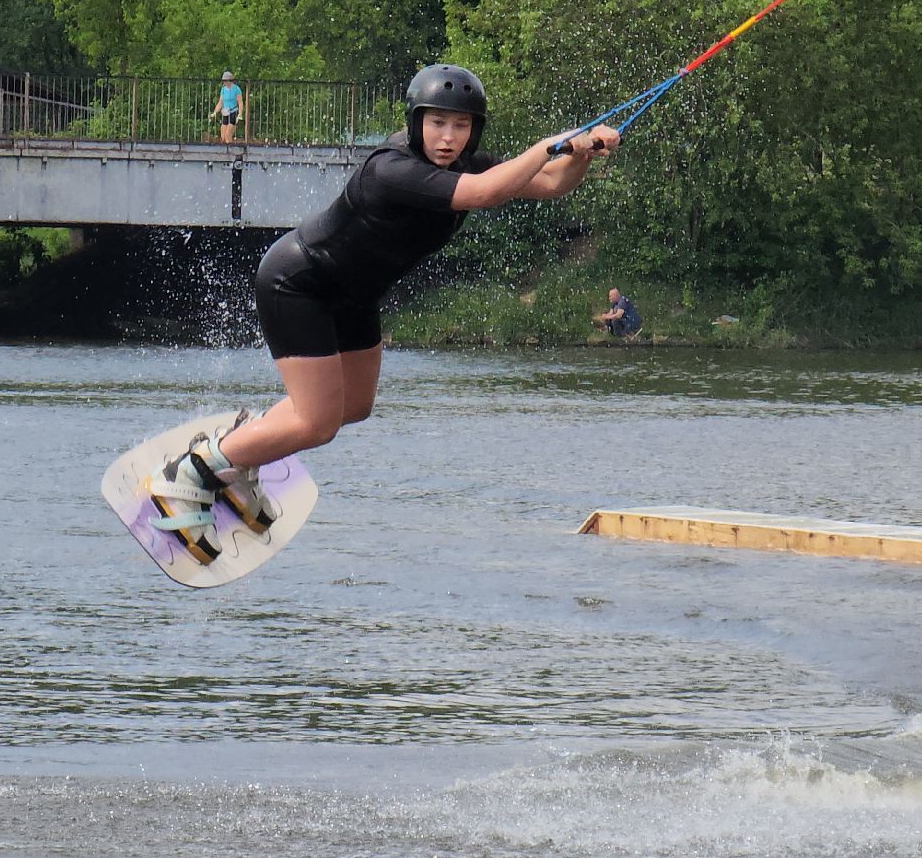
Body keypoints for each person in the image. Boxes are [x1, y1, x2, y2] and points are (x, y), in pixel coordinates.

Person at [147, 63, 621, 561]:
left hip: (355, 295)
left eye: (460, 126)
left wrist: (582, 153)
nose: (448, 137)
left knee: (354, 407)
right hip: (301, 284)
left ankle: (239, 453)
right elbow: (488, 193)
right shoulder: (393, 169)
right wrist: (551, 143)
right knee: (315, 423)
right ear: (417, 122)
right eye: (437, 123)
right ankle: (191, 474)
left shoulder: (466, 164)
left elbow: (550, 184)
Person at [213, 71, 245, 144]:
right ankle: (226, 150)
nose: (224, 82)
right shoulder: (223, 89)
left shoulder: (236, 89)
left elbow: (240, 102)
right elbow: (220, 102)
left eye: (226, 81)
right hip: (225, 112)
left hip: (233, 112)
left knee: (228, 134)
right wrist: (215, 112)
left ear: (230, 81)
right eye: (223, 81)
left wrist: (240, 115)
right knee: (223, 136)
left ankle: (230, 150)